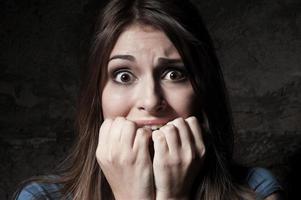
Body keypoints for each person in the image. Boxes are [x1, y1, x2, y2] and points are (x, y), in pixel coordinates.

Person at [14, 0, 283, 199]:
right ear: (98, 96)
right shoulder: (39, 197)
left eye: (174, 73)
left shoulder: (257, 191)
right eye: (123, 76)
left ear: (202, 91)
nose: (151, 100)